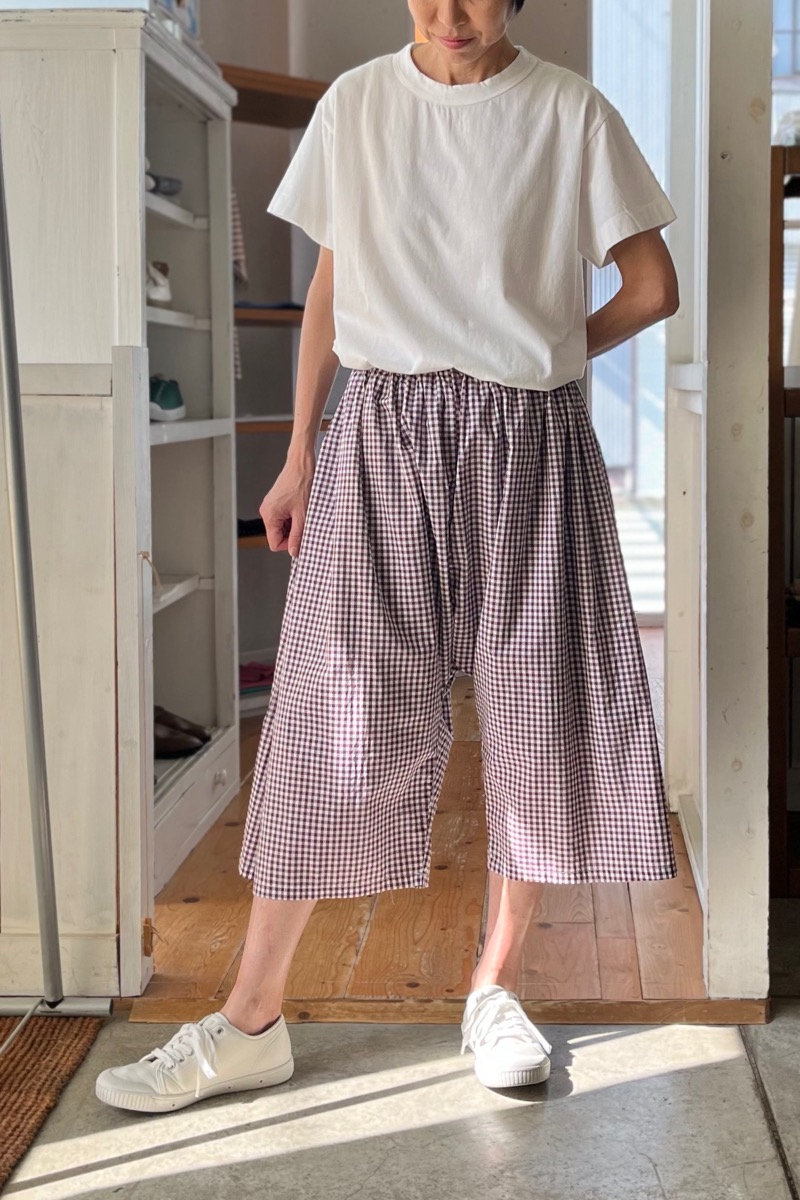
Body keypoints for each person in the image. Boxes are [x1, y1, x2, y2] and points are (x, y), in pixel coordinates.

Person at [96, 0, 680, 1113]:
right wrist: (298, 453)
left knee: (537, 712)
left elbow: (651, 285)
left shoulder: (570, 111)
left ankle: (494, 992)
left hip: (529, 440)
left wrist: (545, 350)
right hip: (379, 435)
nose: (449, 14)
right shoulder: (357, 104)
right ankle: (250, 1020)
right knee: (331, 713)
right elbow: (333, 283)